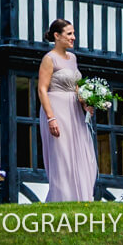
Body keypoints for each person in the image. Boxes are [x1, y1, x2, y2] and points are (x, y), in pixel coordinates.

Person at [37, 18, 97, 202]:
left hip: (75, 112)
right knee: (63, 155)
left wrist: (85, 102)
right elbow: (42, 89)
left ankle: (84, 197)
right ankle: (62, 198)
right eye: (69, 34)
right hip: (57, 110)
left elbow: (76, 86)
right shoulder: (49, 59)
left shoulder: (73, 59)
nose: (73, 37)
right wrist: (51, 118)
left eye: (73, 33)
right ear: (57, 36)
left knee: (85, 153)